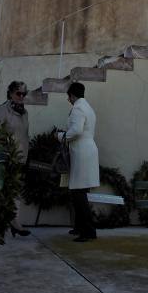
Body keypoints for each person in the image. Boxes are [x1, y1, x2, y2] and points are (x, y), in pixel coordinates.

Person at [58, 82, 100, 242]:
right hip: (87, 151)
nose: (68, 100)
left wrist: (61, 137)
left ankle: (88, 231)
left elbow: (76, 130)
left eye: (68, 96)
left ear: (72, 95)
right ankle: (79, 227)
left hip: (82, 153)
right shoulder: (87, 107)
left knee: (78, 193)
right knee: (79, 192)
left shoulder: (77, 108)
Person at [0, 80, 31, 236]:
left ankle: (15, 222)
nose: (21, 96)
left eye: (24, 94)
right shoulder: (2, 111)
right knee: (0, 190)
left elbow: (25, 135)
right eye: (18, 93)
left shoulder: (25, 113)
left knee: (16, 191)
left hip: (21, 157)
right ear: (10, 94)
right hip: (6, 157)